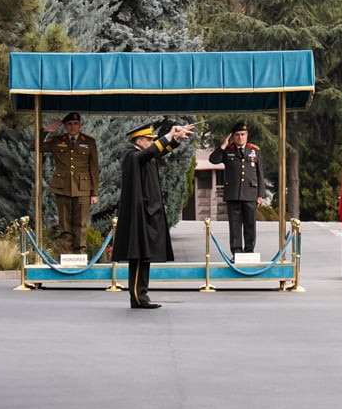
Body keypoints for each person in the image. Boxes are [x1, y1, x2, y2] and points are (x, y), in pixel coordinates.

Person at [112, 122, 196, 310]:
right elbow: (148, 153)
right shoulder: (131, 155)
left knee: (144, 255)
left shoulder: (142, 155)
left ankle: (142, 294)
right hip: (138, 213)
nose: (152, 142)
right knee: (138, 256)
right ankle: (137, 296)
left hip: (147, 211)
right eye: (149, 140)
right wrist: (168, 135)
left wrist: (174, 139)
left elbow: (157, 152)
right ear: (139, 141)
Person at [40, 111, 99, 256]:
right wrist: (45, 131)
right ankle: (66, 255)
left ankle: (80, 255)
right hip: (62, 188)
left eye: (76, 123)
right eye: (70, 124)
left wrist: (94, 193)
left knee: (81, 224)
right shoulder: (56, 141)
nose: (73, 127)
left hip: (83, 189)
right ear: (65, 126)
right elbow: (34, 146)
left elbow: (94, 168)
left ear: (80, 125)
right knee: (65, 224)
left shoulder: (89, 142)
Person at [209, 122, 265, 256]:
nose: (240, 137)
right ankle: (237, 252)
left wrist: (260, 194)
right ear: (233, 136)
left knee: (250, 224)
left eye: (243, 134)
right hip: (233, 194)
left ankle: (249, 251)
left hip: (250, 194)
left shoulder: (254, 151)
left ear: (247, 135)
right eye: (237, 135)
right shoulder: (228, 151)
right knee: (235, 226)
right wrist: (223, 145)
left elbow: (260, 173)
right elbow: (213, 160)